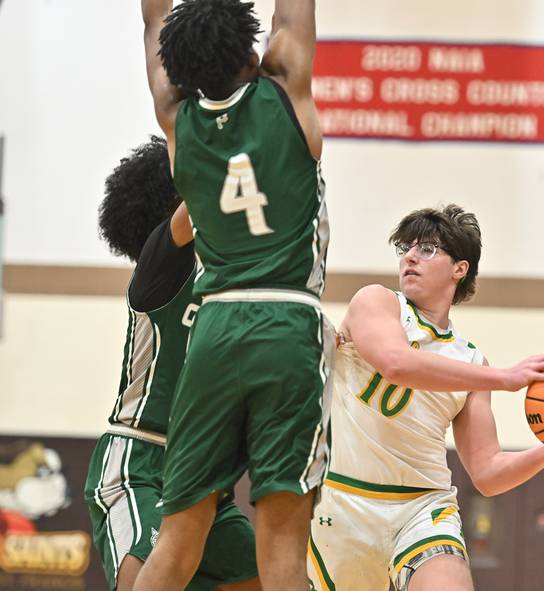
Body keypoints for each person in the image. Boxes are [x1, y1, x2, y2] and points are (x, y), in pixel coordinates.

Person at [135, 2, 331, 590]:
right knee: (283, 552)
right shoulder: (285, 90)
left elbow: (152, 23)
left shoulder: (176, 118)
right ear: (252, 48)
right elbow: (294, 14)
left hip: (214, 327)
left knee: (175, 543)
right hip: (288, 322)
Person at [308, 204, 544, 591]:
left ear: (459, 269)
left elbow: (488, 473)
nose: (410, 256)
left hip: (422, 507)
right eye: (406, 248)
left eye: (427, 249)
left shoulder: (471, 361)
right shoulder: (377, 302)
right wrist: (505, 378)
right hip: (343, 501)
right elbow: (397, 363)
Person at [83, 137, 260, 591]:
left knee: (260, 578)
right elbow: (205, 189)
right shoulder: (158, 263)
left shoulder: (227, 279)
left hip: (202, 471)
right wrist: (234, 115)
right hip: (139, 461)